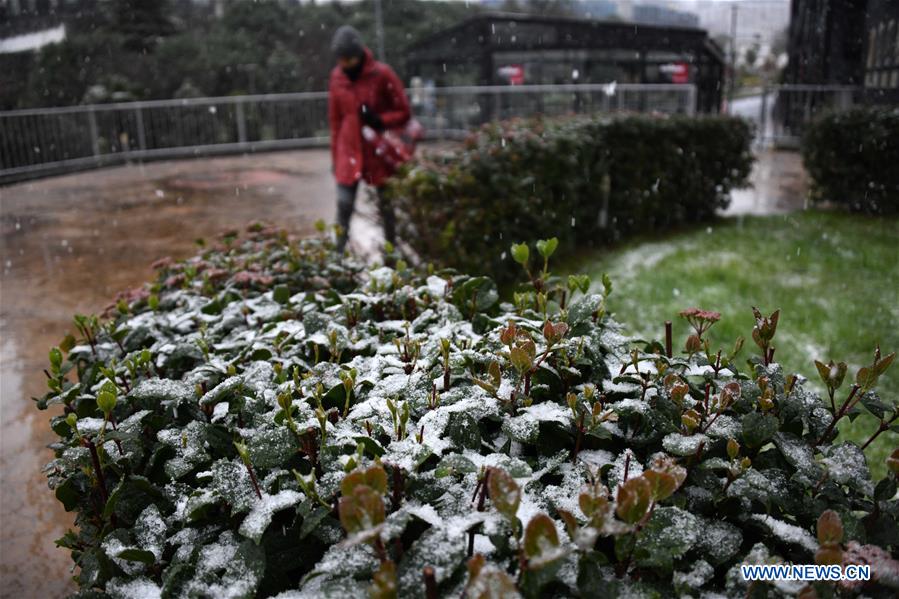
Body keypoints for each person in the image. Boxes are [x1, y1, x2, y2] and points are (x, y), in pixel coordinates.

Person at [328, 25, 411, 254]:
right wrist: (335, 156)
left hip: (377, 151)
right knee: (343, 205)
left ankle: (391, 251)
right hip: (348, 149)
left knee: (386, 206)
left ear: (359, 54)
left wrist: (380, 120)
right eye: (340, 59)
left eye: (348, 59)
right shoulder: (336, 77)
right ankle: (337, 255)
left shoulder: (382, 74)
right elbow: (335, 120)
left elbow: (403, 111)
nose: (344, 64)